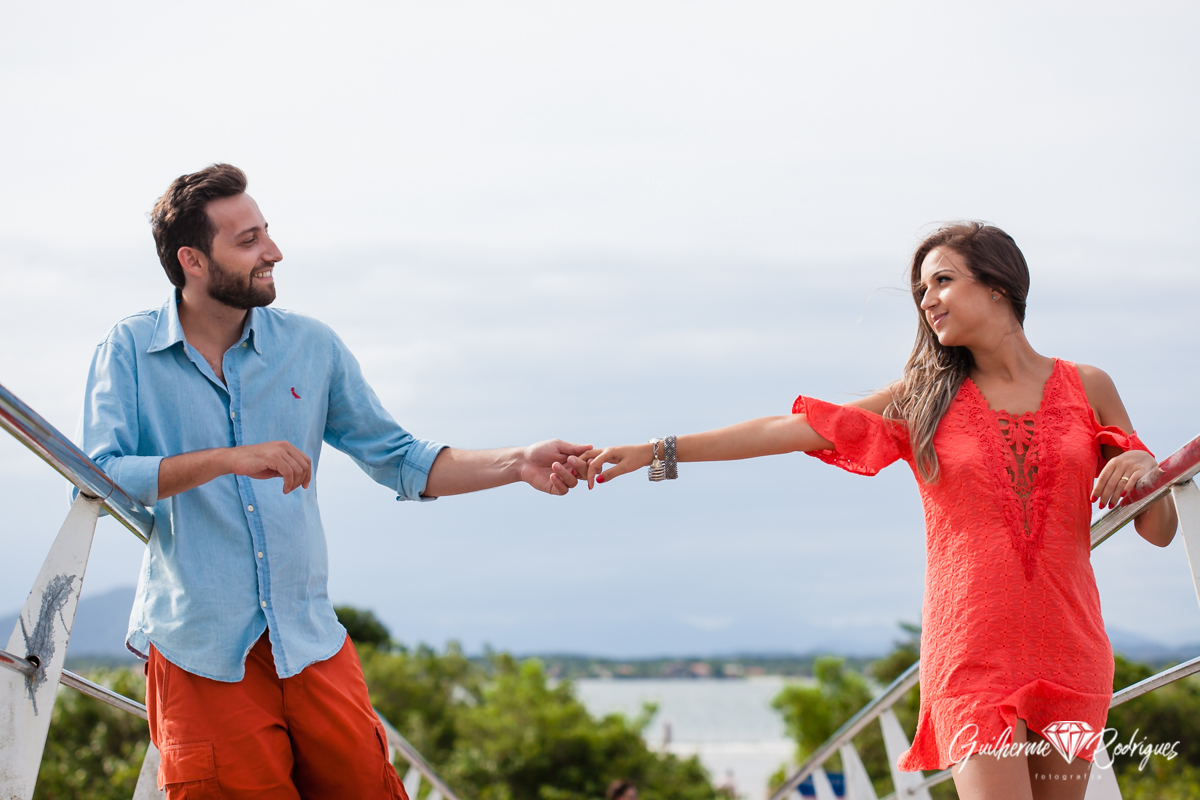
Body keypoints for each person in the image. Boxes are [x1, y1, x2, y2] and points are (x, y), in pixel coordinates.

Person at [581, 222, 1178, 800]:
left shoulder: (1087, 386)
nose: (927, 301)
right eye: (921, 290)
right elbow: (789, 430)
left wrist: (1147, 465)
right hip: (972, 654)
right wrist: (659, 451)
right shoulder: (923, 399)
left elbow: (1159, 528)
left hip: (1071, 649)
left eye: (941, 281)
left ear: (998, 284)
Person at [77, 163, 591, 799]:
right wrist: (228, 457)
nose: (274, 252)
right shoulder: (127, 350)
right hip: (200, 649)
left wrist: (518, 463)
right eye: (248, 241)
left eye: (266, 232)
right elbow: (101, 476)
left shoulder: (312, 347)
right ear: (193, 261)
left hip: (310, 640)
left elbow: (399, 458)